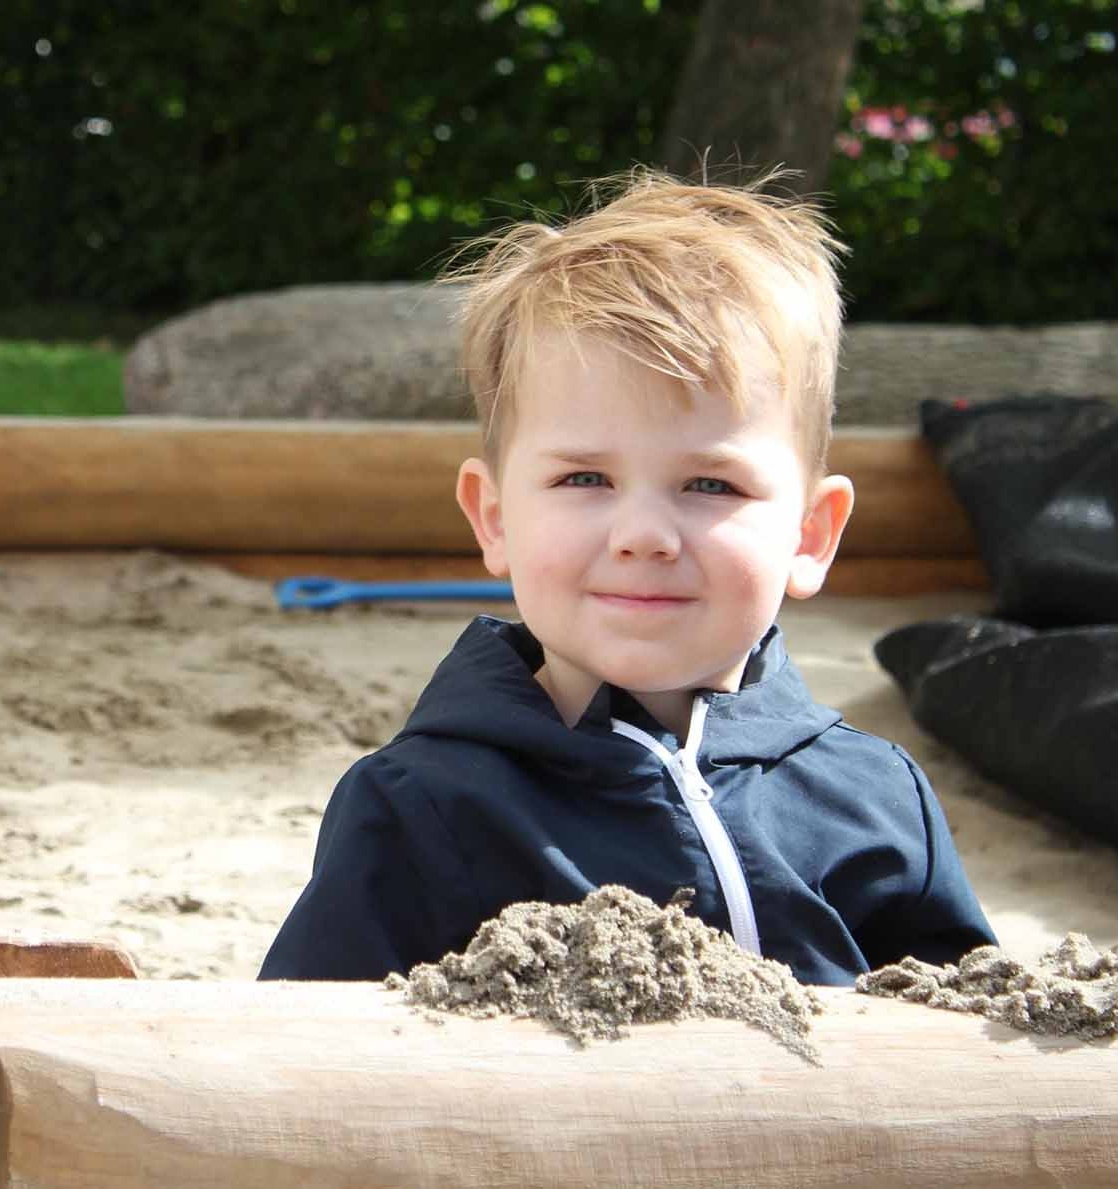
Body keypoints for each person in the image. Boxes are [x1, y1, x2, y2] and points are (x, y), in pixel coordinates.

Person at [258, 168, 996, 987]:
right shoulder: (422, 808)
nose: (644, 535)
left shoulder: (875, 797)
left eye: (711, 484)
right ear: (495, 517)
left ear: (810, 533)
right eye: (584, 480)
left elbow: (975, 1041)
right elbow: (309, 1062)